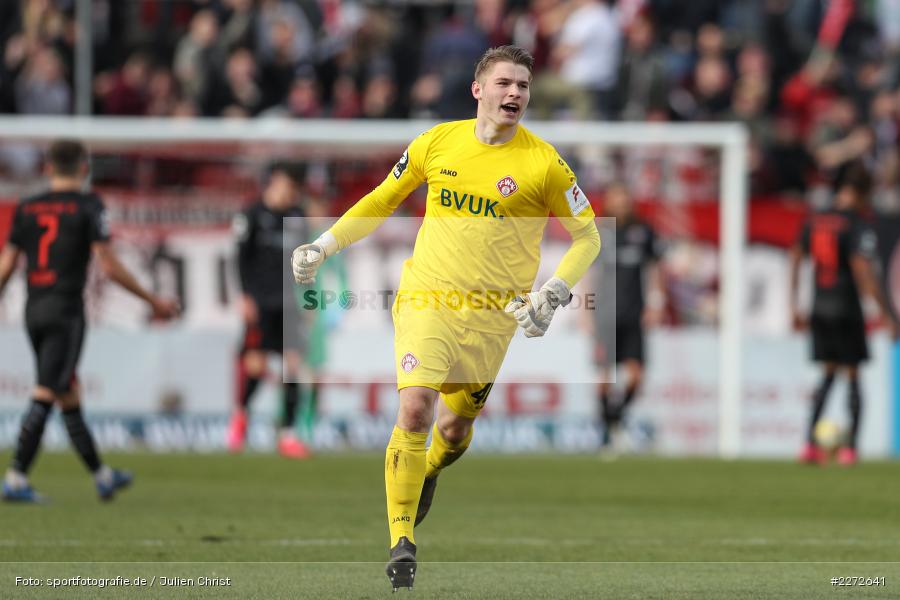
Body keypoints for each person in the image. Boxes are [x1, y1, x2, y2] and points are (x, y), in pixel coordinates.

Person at [290, 45, 601, 591]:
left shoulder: (545, 163)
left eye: (524, 86)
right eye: (504, 83)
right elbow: (383, 199)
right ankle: (402, 542)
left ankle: (432, 466)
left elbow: (588, 236)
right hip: (427, 299)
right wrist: (324, 243)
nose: (515, 94)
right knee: (414, 407)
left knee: (454, 430)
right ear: (477, 90)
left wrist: (552, 293)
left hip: (491, 319)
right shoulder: (436, 142)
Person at [0, 139, 179, 502]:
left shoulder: (27, 208)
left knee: (68, 392)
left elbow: (6, 266)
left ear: (48, 167)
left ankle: (102, 475)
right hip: (66, 311)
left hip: (33, 310)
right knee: (48, 390)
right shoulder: (88, 205)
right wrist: (153, 301)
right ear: (84, 168)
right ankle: (16, 477)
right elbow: (109, 267)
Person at [789, 161, 898, 466]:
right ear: (862, 191)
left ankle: (809, 444)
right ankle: (850, 449)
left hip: (819, 306)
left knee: (826, 373)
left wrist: (793, 303)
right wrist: (885, 312)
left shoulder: (815, 220)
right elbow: (863, 269)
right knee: (852, 373)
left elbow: (795, 256)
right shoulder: (857, 224)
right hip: (846, 307)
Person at [228, 162, 310, 459]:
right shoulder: (251, 214)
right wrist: (245, 297)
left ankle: (288, 435)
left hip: (289, 304)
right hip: (260, 303)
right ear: (274, 182)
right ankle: (241, 416)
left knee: (293, 367)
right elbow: (239, 257)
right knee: (255, 366)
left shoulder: (298, 215)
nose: (292, 192)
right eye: (288, 185)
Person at [595, 181, 665, 452]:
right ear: (609, 201)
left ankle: (615, 418)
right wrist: (586, 310)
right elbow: (589, 271)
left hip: (635, 311)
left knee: (636, 375)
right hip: (604, 312)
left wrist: (656, 303)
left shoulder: (643, 231)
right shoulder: (599, 231)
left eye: (624, 197)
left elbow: (655, 268)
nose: (620, 203)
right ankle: (606, 434)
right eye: (615, 198)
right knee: (603, 376)